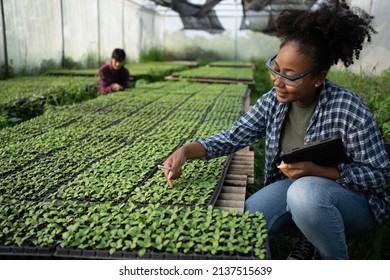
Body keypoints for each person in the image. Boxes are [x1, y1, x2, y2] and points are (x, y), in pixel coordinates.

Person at [162, 0, 390, 260]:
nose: (278, 81)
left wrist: (318, 171)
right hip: (297, 194)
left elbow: (380, 174)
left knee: (304, 193)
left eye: (290, 75)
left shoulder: (349, 108)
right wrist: (186, 152)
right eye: (276, 68)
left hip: (354, 202)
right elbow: (234, 136)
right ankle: (307, 239)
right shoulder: (273, 101)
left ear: (319, 77)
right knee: (245, 226)